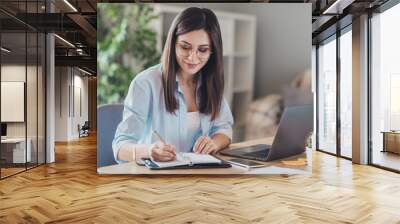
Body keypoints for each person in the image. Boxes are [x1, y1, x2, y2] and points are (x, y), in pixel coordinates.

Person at [112, 7, 233, 163]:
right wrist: (149, 151)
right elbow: (120, 146)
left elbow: (224, 129)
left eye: (202, 50)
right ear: (173, 44)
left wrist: (214, 143)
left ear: (212, 52)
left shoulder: (210, 82)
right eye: (185, 47)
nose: (193, 57)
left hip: (199, 175)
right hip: (157, 179)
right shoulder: (145, 84)